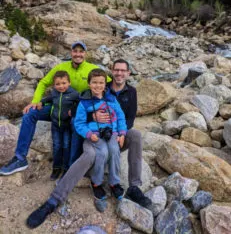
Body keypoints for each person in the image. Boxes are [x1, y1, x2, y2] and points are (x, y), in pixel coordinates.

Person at [26, 59, 152, 229]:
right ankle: (55, 199)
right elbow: (77, 119)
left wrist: (120, 134)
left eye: (124, 71)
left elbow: (126, 118)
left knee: (134, 135)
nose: (120, 73)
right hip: (93, 136)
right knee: (93, 154)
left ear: (128, 73)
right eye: (117, 70)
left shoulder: (127, 93)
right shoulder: (88, 96)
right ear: (111, 73)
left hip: (114, 134)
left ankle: (133, 187)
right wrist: (92, 121)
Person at [0, 41, 100, 176]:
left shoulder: (91, 69)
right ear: (71, 52)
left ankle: (71, 167)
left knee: (74, 125)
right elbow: (43, 83)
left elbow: (106, 84)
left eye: (81, 51)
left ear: (85, 53)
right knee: (30, 114)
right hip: (57, 107)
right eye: (75, 51)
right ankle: (20, 158)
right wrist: (36, 102)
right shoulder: (61, 68)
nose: (78, 54)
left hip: (77, 111)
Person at [74, 68, 127, 204]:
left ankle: (114, 182)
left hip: (112, 132)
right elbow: (79, 123)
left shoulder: (111, 98)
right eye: (94, 82)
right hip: (95, 135)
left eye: (101, 83)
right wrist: (89, 134)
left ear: (105, 84)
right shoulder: (84, 102)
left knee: (114, 151)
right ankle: (96, 182)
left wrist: (122, 133)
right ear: (89, 84)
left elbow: (120, 116)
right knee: (102, 152)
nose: (98, 86)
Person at [37, 71, 79, 180]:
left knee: (66, 146)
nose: (61, 86)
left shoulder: (74, 94)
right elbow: (49, 98)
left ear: (69, 83)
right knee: (56, 147)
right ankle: (56, 168)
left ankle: (65, 169)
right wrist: (41, 102)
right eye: (58, 84)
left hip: (66, 126)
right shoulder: (54, 92)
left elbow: (81, 104)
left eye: (64, 83)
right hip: (55, 125)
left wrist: (73, 110)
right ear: (54, 85)